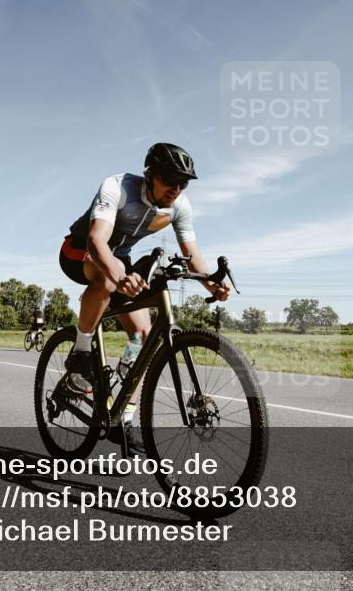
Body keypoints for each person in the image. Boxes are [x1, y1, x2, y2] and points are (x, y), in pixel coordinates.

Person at [58, 143, 230, 451]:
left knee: (143, 335)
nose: (176, 188)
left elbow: (192, 255)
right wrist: (119, 275)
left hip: (119, 257)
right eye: (170, 179)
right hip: (80, 250)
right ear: (149, 174)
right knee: (108, 281)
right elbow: (98, 241)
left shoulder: (179, 206)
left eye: (184, 182)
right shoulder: (118, 186)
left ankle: (124, 417)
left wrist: (211, 285)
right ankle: (81, 353)